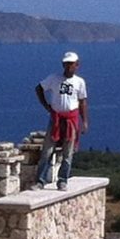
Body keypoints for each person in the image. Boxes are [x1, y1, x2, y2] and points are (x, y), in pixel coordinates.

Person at [34, 51, 89, 187]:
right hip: (56, 119)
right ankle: (40, 180)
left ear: (77, 65)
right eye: (66, 64)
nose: (68, 66)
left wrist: (85, 121)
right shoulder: (54, 78)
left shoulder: (79, 82)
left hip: (71, 120)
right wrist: (46, 105)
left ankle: (63, 180)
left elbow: (82, 102)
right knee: (47, 151)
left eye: (71, 64)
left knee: (68, 153)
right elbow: (39, 88)